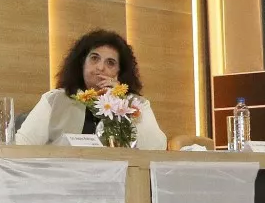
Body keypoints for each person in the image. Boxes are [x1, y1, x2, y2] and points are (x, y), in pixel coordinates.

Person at [15, 29, 167, 149]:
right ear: (82, 63)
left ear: (119, 72)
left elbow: (156, 148)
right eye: (94, 58)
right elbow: (22, 146)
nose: (100, 67)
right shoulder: (55, 100)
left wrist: (122, 102)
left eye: (110, 63)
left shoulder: (135, 104)